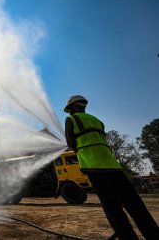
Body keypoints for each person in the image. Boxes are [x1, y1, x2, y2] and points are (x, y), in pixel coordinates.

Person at [64, 95, 159, 240]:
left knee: (114, 210)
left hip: (94, 168)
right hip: (114, 167)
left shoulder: (71, 120)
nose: (70, 112)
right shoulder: (97, 121)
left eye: (70, 109)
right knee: (136, 206)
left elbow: (72, 143)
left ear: (74, 107)